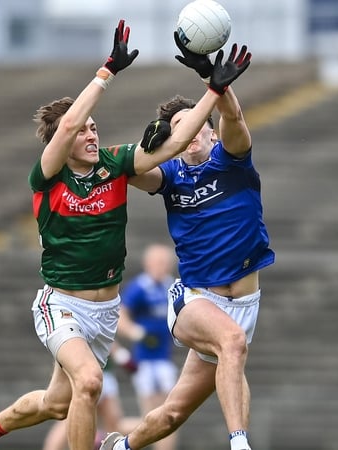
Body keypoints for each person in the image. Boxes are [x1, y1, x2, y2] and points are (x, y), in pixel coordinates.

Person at [0, 19, 252, 450]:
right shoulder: (48, 176)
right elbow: (64, 128)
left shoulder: (113, 163)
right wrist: (106, 72)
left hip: (105, 311)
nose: (91, 132)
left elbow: (172, 147)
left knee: (59, 403)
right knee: (89, 382)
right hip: (60, 303)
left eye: (95, 127)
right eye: (84, 129)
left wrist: (214, 91)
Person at [101, 33, 272, 450]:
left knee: (173, 414)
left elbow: (234, 121)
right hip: (195, 299)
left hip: (244, 305)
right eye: (182, 128)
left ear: (211, 134)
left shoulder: (232, 161)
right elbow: (132, 172)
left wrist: (216, 83)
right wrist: (147, 148)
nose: (192, 133)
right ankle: (239, 444)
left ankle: (120, 447)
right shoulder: (170, 176)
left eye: (198, 125)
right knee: (231, 343)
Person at [117, 243, 179, 450]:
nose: (162, 266)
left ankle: (112, 431)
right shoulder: (140, 287)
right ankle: (111, 432)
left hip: (165, 359)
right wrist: (138, 333)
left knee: (169, 415)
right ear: (148, 263)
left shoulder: (172, 286)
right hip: (144, 361)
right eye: (158, 262)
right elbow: (120, 316)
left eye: (165, 262)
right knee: (151, 415)